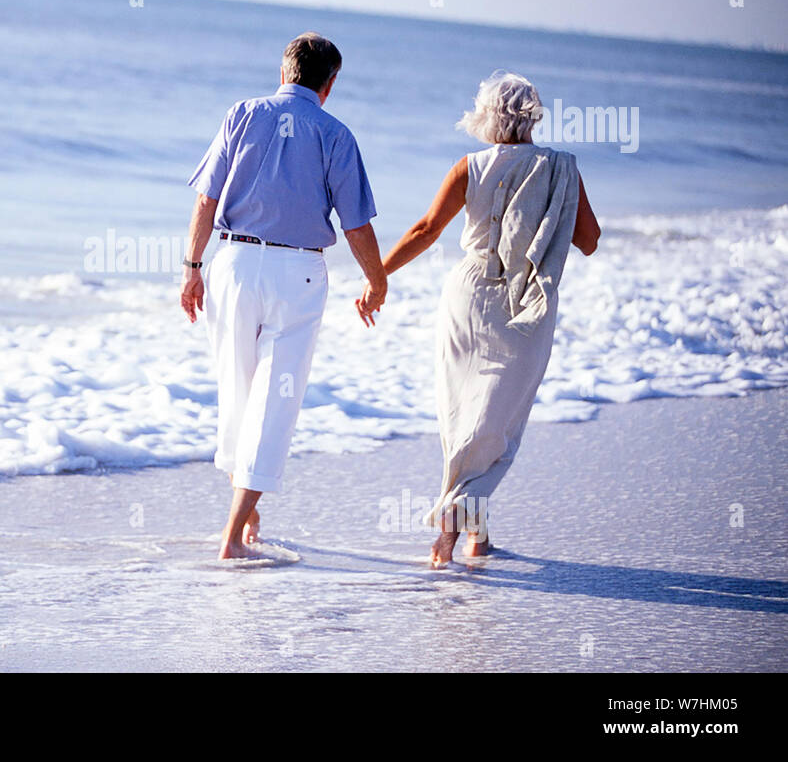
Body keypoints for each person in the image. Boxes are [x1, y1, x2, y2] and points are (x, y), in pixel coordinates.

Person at [371, 71, 601, 567]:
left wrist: (378, 276)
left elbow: (426, 229)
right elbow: (589, 240)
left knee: (462, 421)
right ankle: (455, 532)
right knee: (499, 425)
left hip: (467, 296)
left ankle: (473, 534)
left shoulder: (469, 166)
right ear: (534, 114)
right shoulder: (561, 168)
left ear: (486, 115)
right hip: (526, 301)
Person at [180, 32, 387, 559]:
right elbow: (356, 224)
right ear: (330, 84)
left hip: (232, 264)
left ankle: (246, 520)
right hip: (298, 274)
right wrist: (377, 279)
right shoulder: (336, 135)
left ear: (283, 71)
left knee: (238, 393)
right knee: (275, 401)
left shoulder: (242, 114)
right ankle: (233, 535)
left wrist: (191, 267)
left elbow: (206, 200)